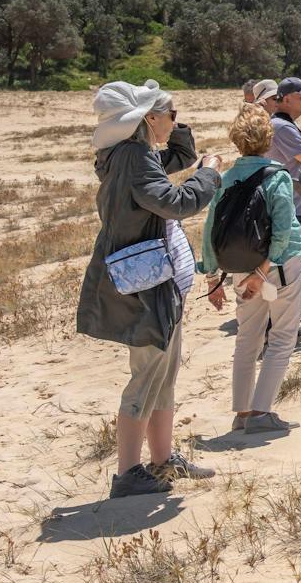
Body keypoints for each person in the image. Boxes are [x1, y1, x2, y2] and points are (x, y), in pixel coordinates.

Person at [78, 80, 224, 498]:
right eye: (170, 114)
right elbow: (175, 203)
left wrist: (175, 125)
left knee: (164, 376)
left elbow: (177, 157)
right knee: (146, 377)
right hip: (146, 284)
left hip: (153, 280)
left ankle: (162, 459)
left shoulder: (129, 154)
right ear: (148, 119)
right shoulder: (134, 156)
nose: (175, 121)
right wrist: (210, 174)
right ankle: (128, 473)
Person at [199, 105, 301, 434]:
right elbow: (282, 232)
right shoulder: (277, 176)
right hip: (278, 267)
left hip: (239, 267)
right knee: (282, 337)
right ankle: (261, 413)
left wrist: (211, 277)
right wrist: (263, 273)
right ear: (269, 139)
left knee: (247, 340)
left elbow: (209, 230)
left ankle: (243, 413)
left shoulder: (226, 178)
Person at [266, 77, 301, 259]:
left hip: (291, 205)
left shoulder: (282, 124)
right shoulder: (282, 127)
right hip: (293, 209)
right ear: (286, 99)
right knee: (294, 265)